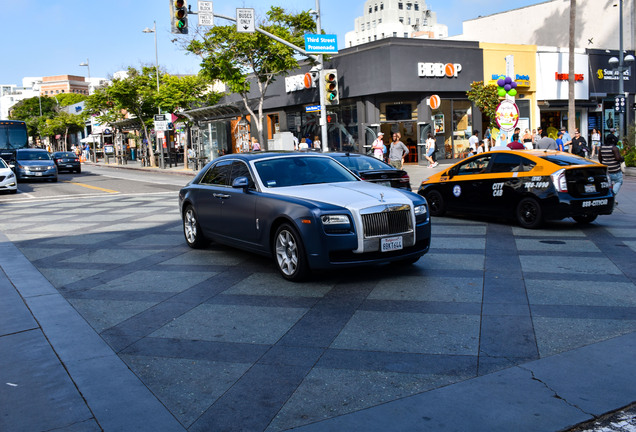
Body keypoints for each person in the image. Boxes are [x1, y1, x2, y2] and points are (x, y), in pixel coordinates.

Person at [598, 129, 624, 205]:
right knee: (619, 182)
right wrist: (622, 158)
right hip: (615, 170)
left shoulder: (601, 148)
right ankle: (612, 195)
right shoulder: (614, 148)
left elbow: (600, 159)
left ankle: (612, 199)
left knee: (609, 184)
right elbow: (618, 158)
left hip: (606, 170)